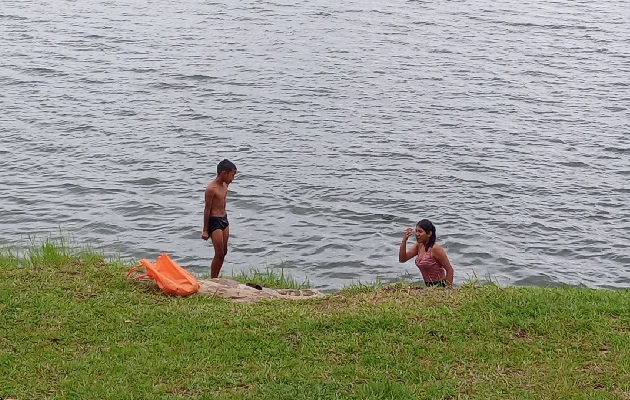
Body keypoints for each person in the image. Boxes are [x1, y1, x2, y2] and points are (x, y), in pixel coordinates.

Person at [201, 159, 237, 278]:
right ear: (224, 173)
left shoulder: (225, 185)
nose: (233, 179)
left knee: (224, 251)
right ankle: (213, 278)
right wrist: (205, 230)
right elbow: (207, 209)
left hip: (224, 219)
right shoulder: (211, 189)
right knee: (219, 253)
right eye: (232, 175)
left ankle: (217, 275)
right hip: (214, 221)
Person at [398, 219, 454, 287]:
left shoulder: (435, 248)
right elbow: (402, 259)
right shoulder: (419, 246)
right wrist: (404, 241)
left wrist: (447, 290)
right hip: (428, 286)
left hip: (440, 285)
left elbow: (450, 270)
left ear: (429, 234)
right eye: (416, 231)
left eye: (420, 231)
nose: (417, 234)